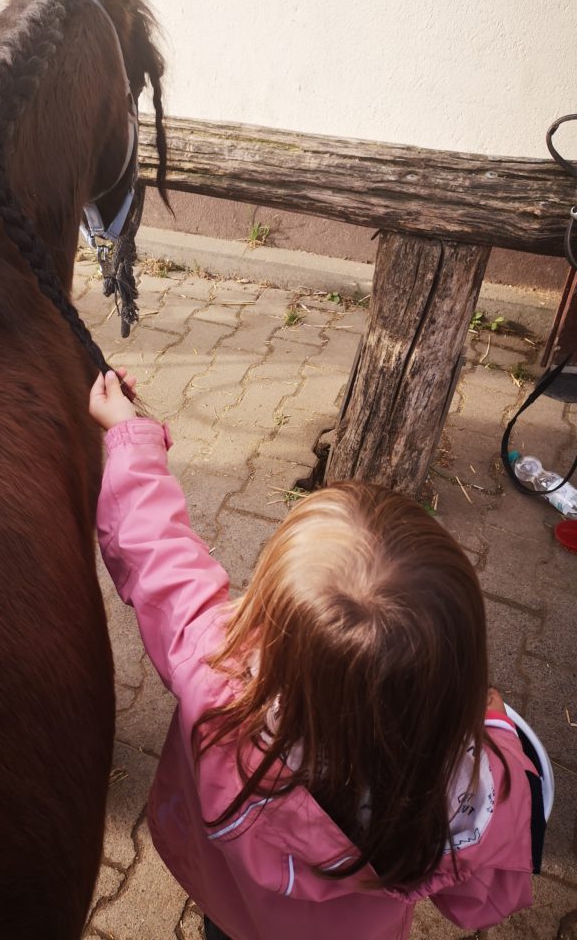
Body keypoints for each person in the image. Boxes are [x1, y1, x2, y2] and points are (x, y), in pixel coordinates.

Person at [89, 368, 542, 940]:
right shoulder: (469, 781)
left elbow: (156, 552)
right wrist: (494, 724)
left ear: (269, 620)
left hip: (231, 907)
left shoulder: (217, 677)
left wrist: (130, 438)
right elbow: (486, 898)